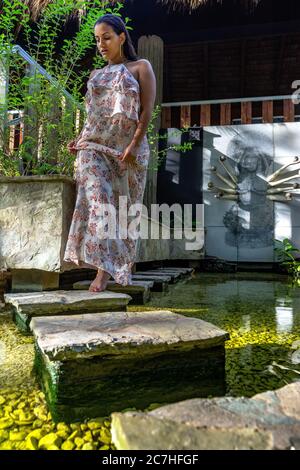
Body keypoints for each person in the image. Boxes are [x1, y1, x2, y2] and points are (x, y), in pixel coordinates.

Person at [63, 14, 156, 292]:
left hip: (128, 151)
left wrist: (133, 146)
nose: (101, 44)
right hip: (94, 147)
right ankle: (101, 273)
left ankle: (109, 269)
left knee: (120, 211)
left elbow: (146, 112)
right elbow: (93, 116)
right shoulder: (96, 75)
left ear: (121, 37)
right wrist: (79, 140)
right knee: (98, 199)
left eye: (106, 37)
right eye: (97, 39)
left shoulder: (141, 67)